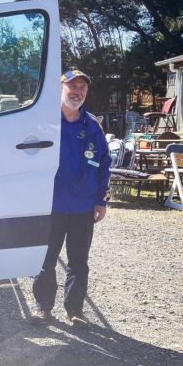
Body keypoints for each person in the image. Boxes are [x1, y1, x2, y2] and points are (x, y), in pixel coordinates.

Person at [29, 69, 111, 328]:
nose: (77, 92)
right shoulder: (43, 122)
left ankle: (75, 310)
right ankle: (43, 307)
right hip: (48, 206)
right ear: (60, 88)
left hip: (82, 207)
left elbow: (105, 165)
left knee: (78, 262)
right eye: (72, 86)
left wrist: (101, 201)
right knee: (46, 260)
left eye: (82, 88)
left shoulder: (93, 126)